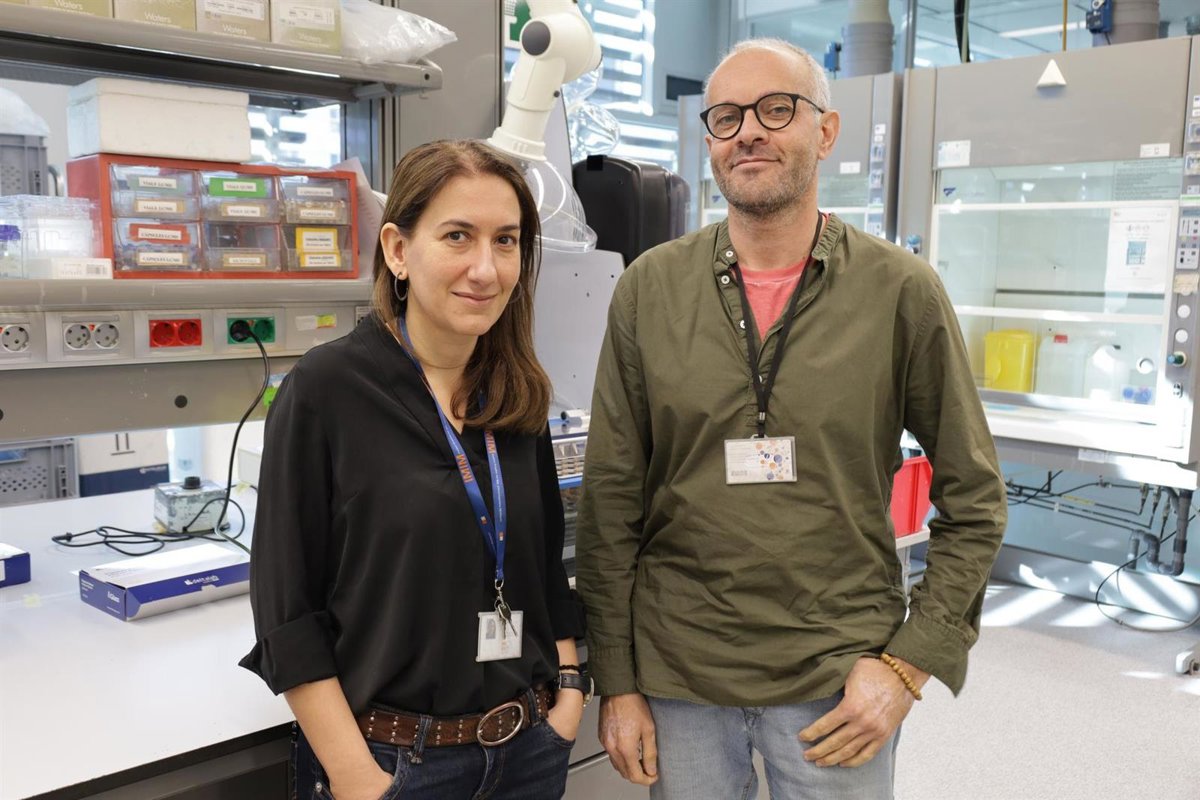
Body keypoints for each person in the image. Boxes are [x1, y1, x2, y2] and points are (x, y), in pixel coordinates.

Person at [575, 38, 1008, 800]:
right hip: (680, 674)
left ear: (826, 131)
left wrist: (909, 663)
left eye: (777, 109)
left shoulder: (899, 292)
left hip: (838, 676)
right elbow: (611, 500)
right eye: (727, 116)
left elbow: (975, 499)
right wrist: (617, 679)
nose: (749, 131)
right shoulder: (649, 291)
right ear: (709, 140)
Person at [240, 139, 591, 800]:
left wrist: (569, 689)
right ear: (398, 250)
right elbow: (287, 611)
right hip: (395, 764)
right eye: (458, 236)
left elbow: (544, 568)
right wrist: (356, 776)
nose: (485, 268)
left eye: (506, 241)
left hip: (528, 750)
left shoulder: (516, 392)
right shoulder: (326, 391)